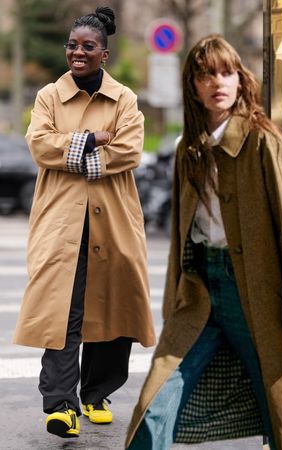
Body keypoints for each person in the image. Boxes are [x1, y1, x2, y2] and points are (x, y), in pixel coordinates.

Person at [125, 35, 282, 450]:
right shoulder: (189, 150)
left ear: (240, 78)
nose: (219, 82)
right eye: (207, 74)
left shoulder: (265, 141)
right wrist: (174, 297)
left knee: (281, 401)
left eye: (227, 72)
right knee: (157, 397)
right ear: (193, 86)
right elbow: (181, 236)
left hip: (258, 291)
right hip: (199, 291)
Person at [13, 6, 155, 438]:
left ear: (104, 54)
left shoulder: (125, 100)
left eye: (87, 46)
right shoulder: (48, 97)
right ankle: (60, 404)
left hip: (113, 220)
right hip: (61, 220)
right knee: (62, 311)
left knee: (113, 306)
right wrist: (91, 140)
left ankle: (96, 395)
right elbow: (40, 146)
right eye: (72, 45)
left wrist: (70, 152)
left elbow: (128, 151)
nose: (77, 52)